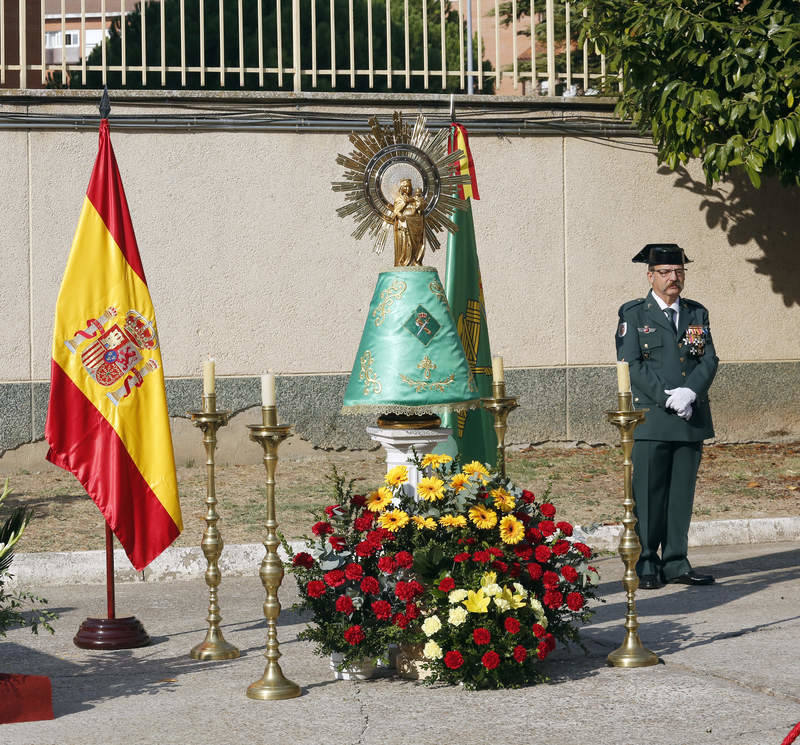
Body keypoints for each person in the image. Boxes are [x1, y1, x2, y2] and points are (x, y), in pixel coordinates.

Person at [615, 244, 719, 589]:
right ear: (650, 276)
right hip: (652, 420)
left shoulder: (696, 313)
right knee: (648, 494)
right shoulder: (635, 314)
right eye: (665, 272)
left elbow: (708, 359)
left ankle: (676, 562)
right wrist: (666, 397)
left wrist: (691, 393)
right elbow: (632, 364)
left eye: (678, 271)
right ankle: (646, 563)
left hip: (690, 416)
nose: (673, 278)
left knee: (680, 496)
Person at [392, 179, 427, 266]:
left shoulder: (415, 198)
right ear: (401, 188)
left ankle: (416, 261)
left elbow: (420, 208)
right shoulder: (399, 199)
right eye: (405, 187)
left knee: (417, 243)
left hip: (416, 225)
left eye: (409, 187)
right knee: (406, 244)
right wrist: (400, 214)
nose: (408, 188)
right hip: (405, 225)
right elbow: (396, 211)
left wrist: (418, 202)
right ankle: (404, 262)